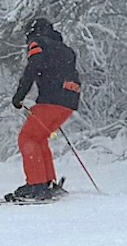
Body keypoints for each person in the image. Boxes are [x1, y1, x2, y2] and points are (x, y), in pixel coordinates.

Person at [5, 16, 81, 203]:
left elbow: (34, 67)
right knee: (39, 138)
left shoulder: (37, 42)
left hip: (51, 100)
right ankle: (47, 182)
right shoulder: (66, 49)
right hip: (69, 101)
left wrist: (19, 96)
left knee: (28, 138)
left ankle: (37, 186)